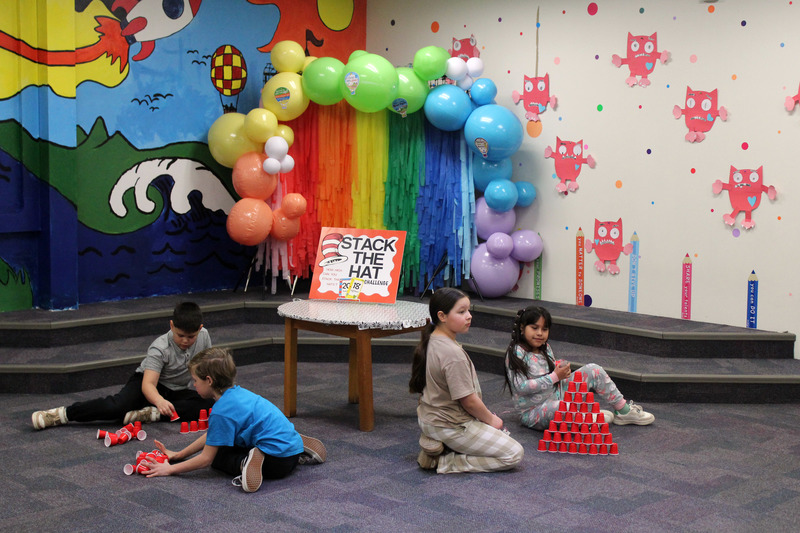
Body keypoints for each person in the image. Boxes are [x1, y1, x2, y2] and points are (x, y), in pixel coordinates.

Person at [142, 347, 326, 493]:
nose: (194, 385)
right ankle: (291, 439)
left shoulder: (221, 411)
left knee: (220, 456)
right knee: (224, 439)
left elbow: (206, 459)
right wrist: (180, 454)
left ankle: (246, 461)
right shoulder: (240, 393)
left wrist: (170, 469)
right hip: (291, 454)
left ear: (209, 380)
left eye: (195, 380)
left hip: (274, 465)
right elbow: (213, 435)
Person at [32, 302, 215, 429]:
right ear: (171, 325)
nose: (185, 341)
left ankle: (152, 414)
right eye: (180, 335)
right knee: (117, 408)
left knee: (211, 404)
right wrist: (159, 401)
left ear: (200, 329)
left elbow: (207, 367)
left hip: (176, 390)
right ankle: (63, 414)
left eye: (191, 337)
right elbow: (148, 385)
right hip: (147, 384)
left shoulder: (204, 336)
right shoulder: (159, 347)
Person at [409, 287, 523, 474]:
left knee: (491, 434)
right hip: (450, 424)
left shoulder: (433, 339)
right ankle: (445, 461)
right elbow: (468, 401)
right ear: (442, 316)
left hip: (430, 417)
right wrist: (492, 420)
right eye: (461, 312)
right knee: (513, 454)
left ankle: (439, 441)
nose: (469, 316)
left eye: (468, 310)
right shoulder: (453, 354)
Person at [504, 305, 655, 431]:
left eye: (544, 329)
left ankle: (623, 411)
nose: (539, 333)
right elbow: (521, 387)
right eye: (534, 328)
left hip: (558, 396)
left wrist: (561, 371)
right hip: (534, 412)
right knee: (562, 408)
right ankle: (584, 416)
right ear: (522, 329)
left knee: (593, 369)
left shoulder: (546, 348)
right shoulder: (516, 353)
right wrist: (555, 376)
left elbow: (550, 375)